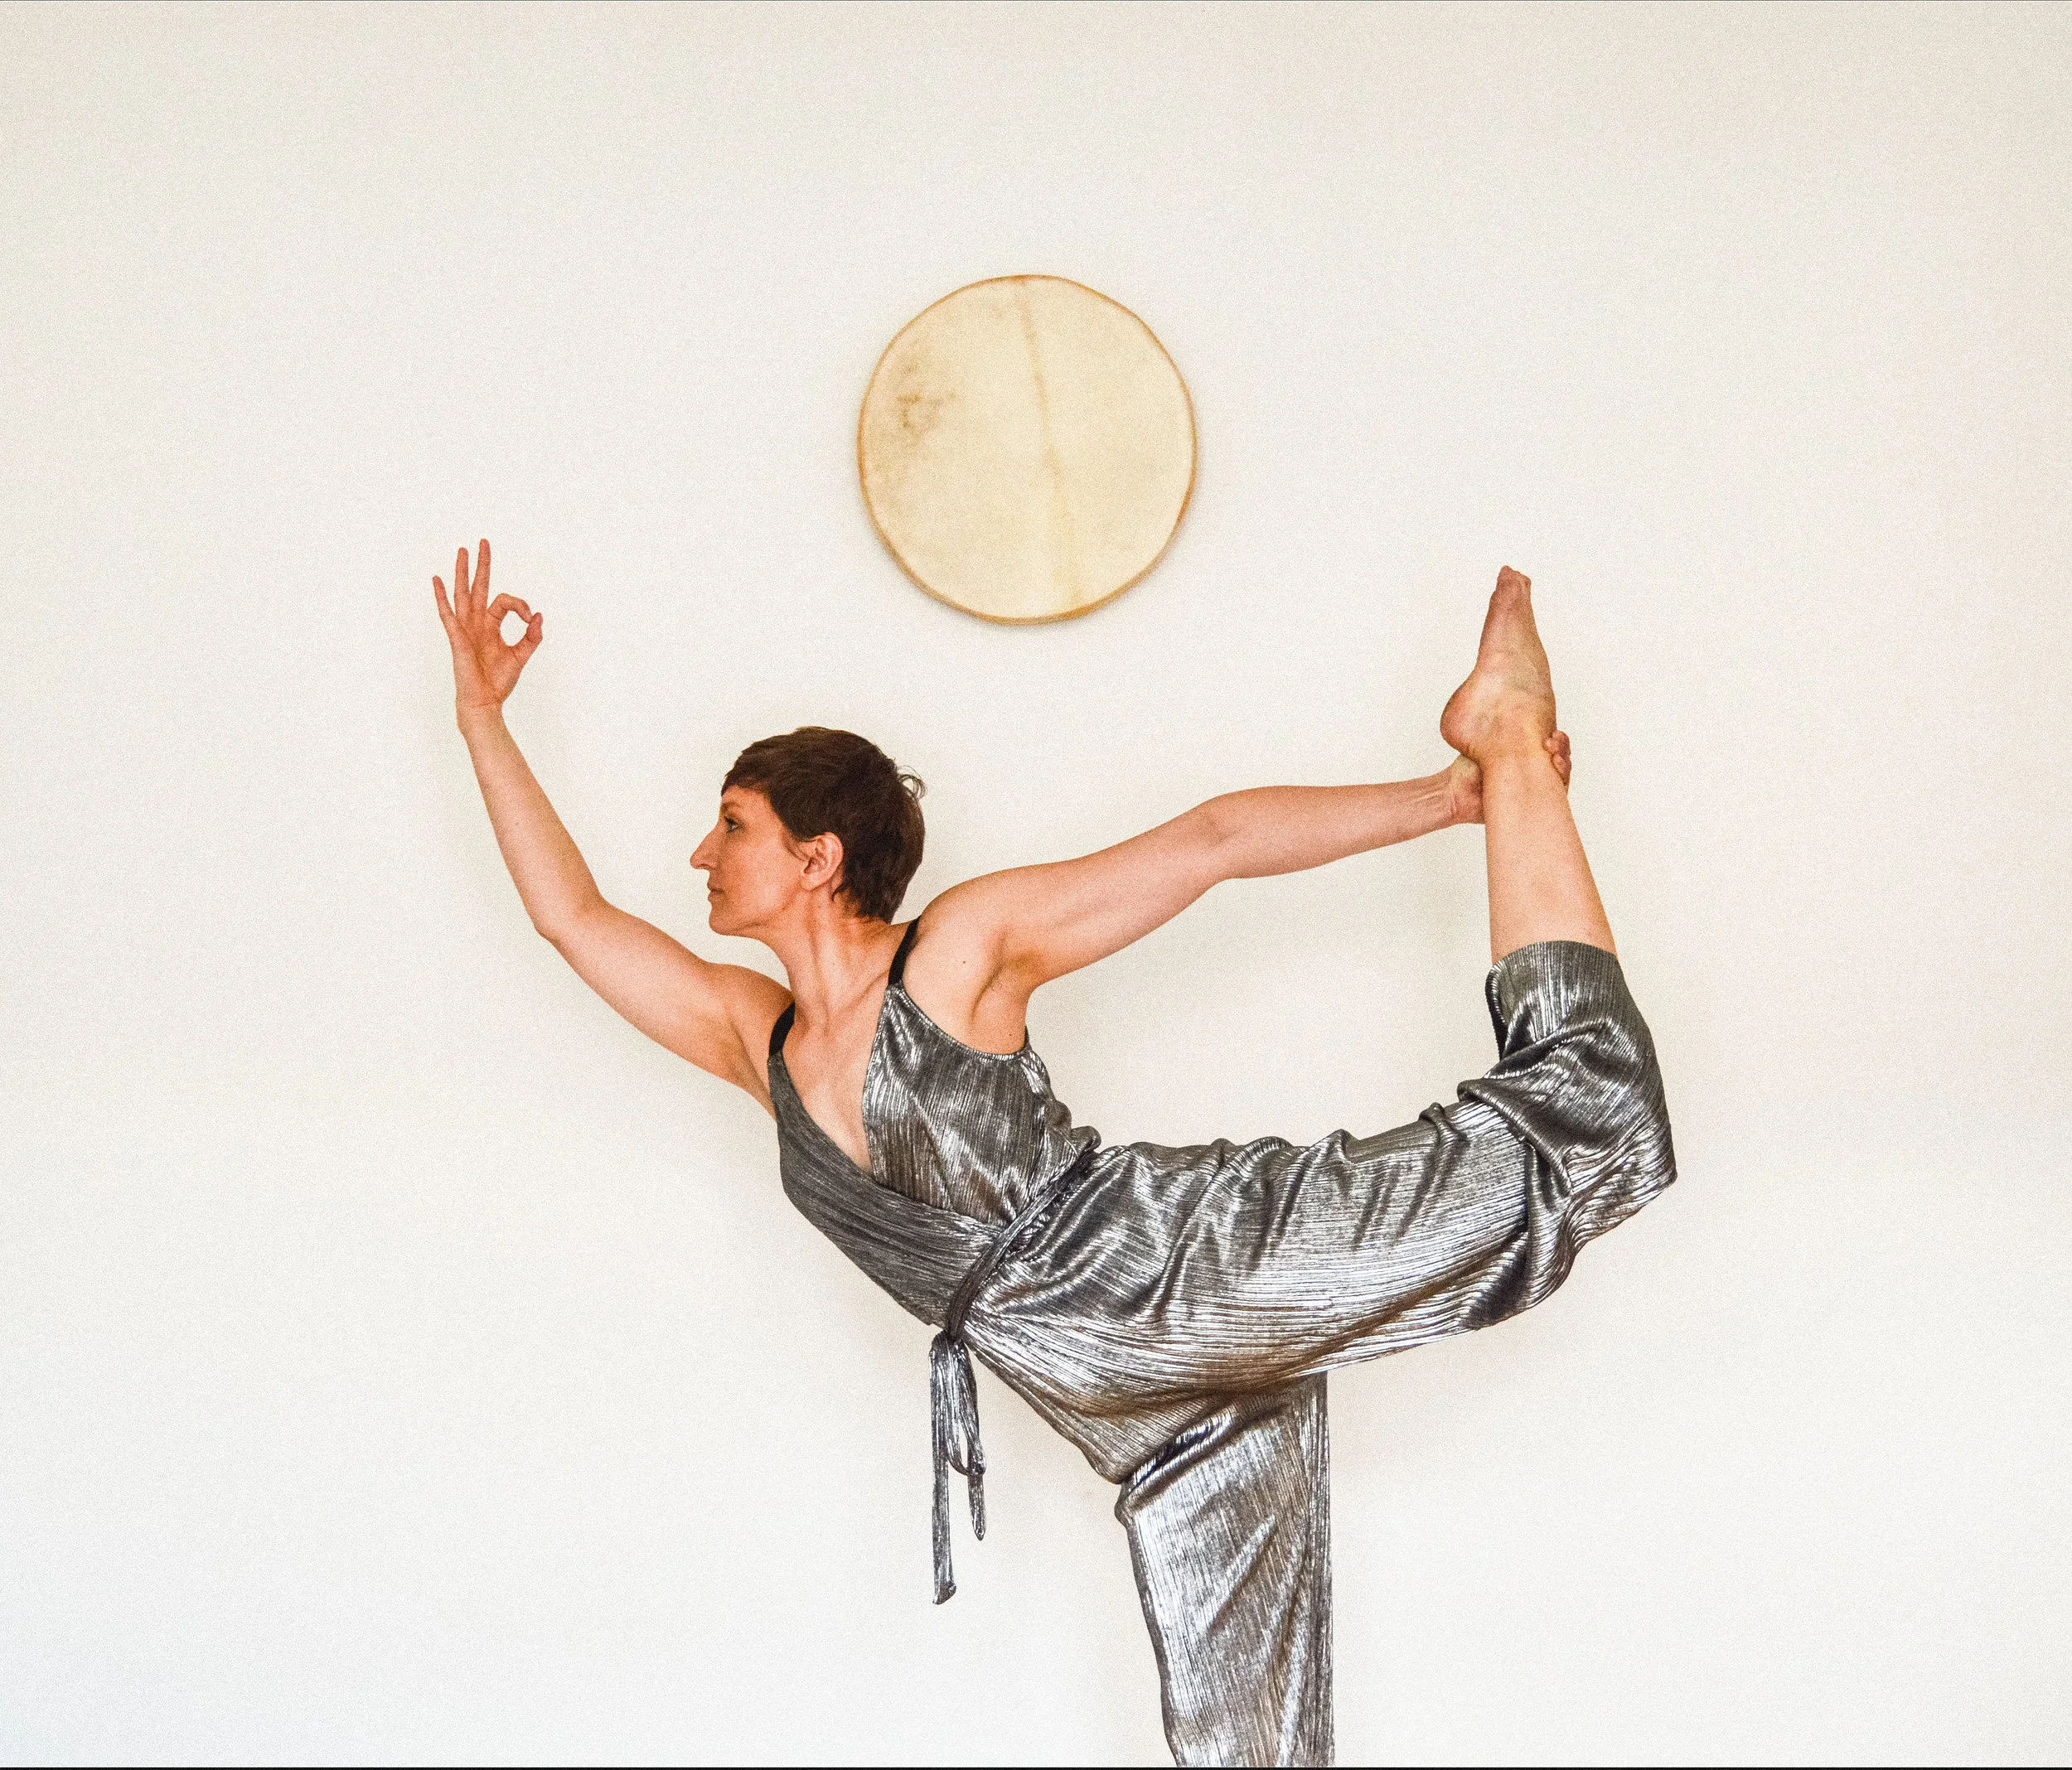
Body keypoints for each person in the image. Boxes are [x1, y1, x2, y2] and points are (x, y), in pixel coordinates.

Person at [432, 541, 1675, 1768]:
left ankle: (1506, 740)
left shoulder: (958, 955)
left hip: (1185, 1271)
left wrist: (1453, 798)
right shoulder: (752, 1040)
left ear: (817, 858)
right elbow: (572, 918)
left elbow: (1214, 840)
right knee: (1247, 1750)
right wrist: (482, 714)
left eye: (732, 826)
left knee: (1588, 1125)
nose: (702, 855)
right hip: (1137, 1407)